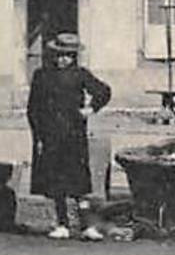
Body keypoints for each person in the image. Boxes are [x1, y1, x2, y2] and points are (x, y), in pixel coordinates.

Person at [28, 33, 112, 240]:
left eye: (68, 55)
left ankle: (86, 226)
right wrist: (37, 136)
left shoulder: (80, 74)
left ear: (74, 56)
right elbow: (33, 109)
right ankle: (62, 224)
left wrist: (91, 109)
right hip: (50, 136)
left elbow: (103, 91)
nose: (63, 59)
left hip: (74, 136)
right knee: (56, 183)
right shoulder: (41, 75)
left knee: (79, 183)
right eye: (59, 55)